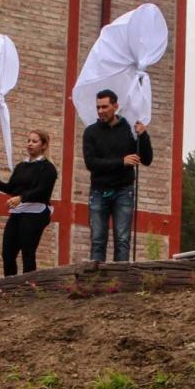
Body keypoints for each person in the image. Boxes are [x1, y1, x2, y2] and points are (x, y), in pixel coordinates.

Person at [81, 89, 153, 262]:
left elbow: (147, 159)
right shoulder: (91, 132)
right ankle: (95, 283)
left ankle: (120, 283)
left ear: (116, 106)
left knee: (122, 239)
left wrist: (143, 136)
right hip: (99, 191)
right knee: (98, 240)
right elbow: (91, 163)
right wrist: (121, 161)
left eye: (105, 107)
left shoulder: (128, 129)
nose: (100, 111)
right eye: (98, 107)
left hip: (123, 191)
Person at [0, 129, 58, 276]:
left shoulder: (48, 168)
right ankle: (10, 286)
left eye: (34, 141)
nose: (30, 144)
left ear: (44, 145)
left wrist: (21, 198)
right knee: (7, 253)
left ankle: (29, 286)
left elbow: (42, 191)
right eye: (28, 141)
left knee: (28, 252)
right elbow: (12, 188)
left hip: (35, 213)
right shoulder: (21, 166)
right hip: (18, 212)